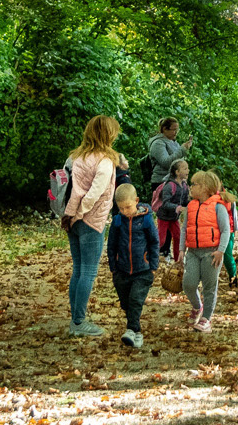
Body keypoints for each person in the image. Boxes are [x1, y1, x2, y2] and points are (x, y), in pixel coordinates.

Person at [62, 115, 122, 336]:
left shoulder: (75, 157)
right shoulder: (105, 161)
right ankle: (78, 322)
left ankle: (76, 318)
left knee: (78, 270)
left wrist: (71, 215)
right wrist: (80, 214)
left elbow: (68, 187)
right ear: (108, 134)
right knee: (88, 272)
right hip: (90, 220)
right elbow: (93, 195)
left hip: (72, 219)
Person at [107, 183, 159, 348]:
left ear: (136, 201)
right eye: (121, 208)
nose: (125, 211)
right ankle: (136, 332)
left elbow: (154, 242)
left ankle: (131, 330)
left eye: (128, 207)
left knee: (136, 300)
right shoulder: (117, 221)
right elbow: (111, 245)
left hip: (142, 270)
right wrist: (113, 267)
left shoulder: (146, 220)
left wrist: (153, 265)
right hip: (121, 271)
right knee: (126, 303)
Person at [182, 171, 232, 331]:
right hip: (193, 252)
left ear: (204, 188)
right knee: (188, 283)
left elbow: (226, 231)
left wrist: (221, 251)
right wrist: (181, 249)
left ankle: (206, 319)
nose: (190, 187)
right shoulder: (191, 206)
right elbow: (184, 228)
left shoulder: (218, 207)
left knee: (209, 287)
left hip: (212, 253)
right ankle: (198, 306)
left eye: (194, 184)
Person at [152, 160, 191, 260]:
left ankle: (178, 259)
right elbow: (165, 203)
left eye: (187, 168)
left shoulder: (185, 186)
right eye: (185, 168)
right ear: (177, 172)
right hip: (164, 217)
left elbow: (186, 201)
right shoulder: (170, 185)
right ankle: (150, 256)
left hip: (174, 218)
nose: (188, 170)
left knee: (178, 237)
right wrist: (177, 208)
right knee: (161, 239)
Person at [146, 117, 193, 188]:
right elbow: (166, 163)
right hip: (161, 182)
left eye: (177, 130)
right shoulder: (157, 143)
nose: (176, 132)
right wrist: (182, 149)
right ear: (165, 129)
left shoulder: (173, 142)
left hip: (175, 181)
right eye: (174, 130)